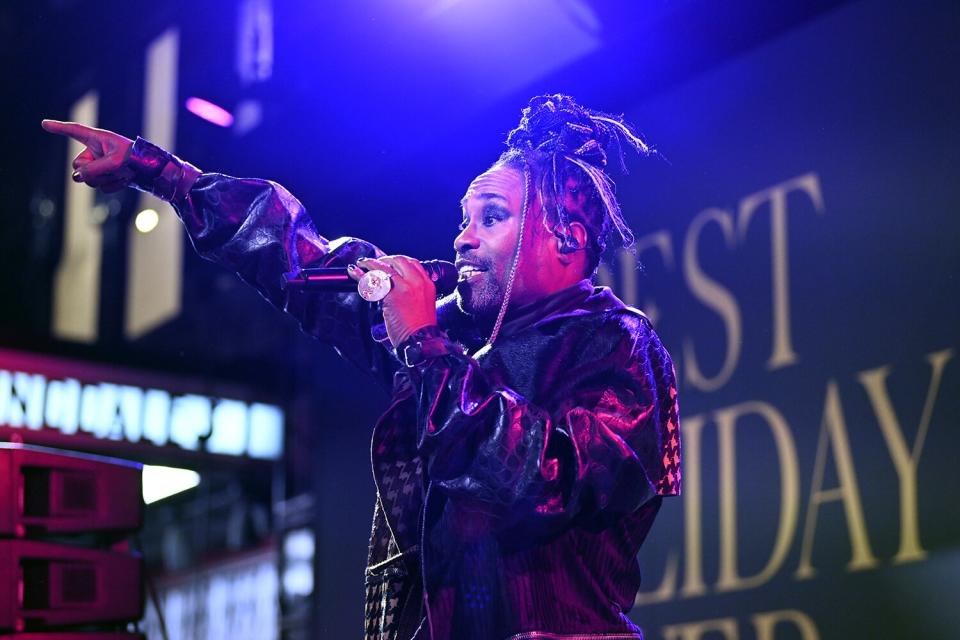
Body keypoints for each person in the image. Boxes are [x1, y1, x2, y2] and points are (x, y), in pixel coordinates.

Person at [43, 94, 681, 640]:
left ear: (565, 237)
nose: (463, 237)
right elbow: (301, 261)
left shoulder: (616, 344)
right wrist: (162, 173)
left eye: (492, 217)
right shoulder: (447, 320)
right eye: (464, 219)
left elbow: (535, 480)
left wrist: (424, 342)